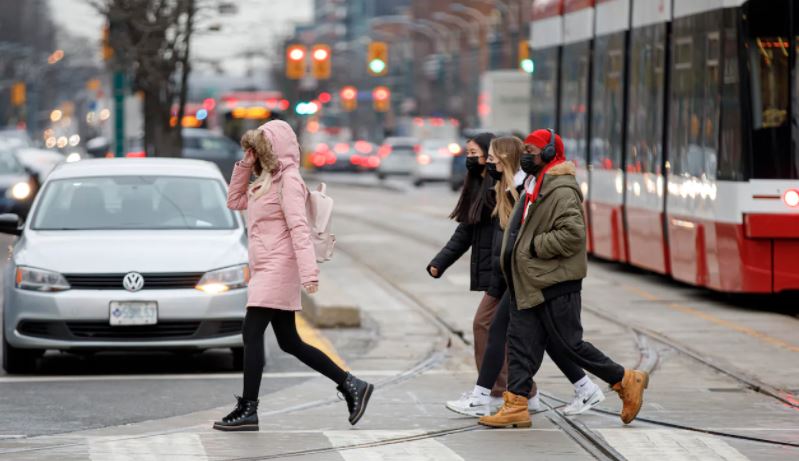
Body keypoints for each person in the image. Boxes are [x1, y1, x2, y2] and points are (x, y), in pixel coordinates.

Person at [479, 129, 648, 429]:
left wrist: (531, 247)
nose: (526, 155)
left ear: (547, 154)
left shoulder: (560, 189)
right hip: (528, 280)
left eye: (532, 150)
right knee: (519, 342)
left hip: (554, 282)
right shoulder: (534, 184)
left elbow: (573, 235)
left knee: (570, 344)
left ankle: (624, 379)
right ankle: (515, 404)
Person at [214, 121, 373, 431]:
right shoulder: (266, 181)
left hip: (279, 267)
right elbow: (234, 201)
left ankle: (249, 408)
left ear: (276, 149)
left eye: (261, 149)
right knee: (290, 341)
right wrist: (245, 164)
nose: (257, 155)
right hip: (264, 267)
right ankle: (352, 384)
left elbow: (299, 229)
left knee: (251, 332)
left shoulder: (289, 181)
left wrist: (308, 273)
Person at [445, 137, 603, 417]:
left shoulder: (526, 189)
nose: (487, 163)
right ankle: (564, 390)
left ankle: (501, 395)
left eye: (491, 158)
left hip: (529, 276)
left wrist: (528, 250)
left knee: (512, 331)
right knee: (541, 337)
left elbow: (566, 235)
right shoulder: (512, 187)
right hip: (517, 274)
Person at [427, 133, 509, 403]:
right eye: (468, 153)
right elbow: (466, 231)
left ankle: (501, 391)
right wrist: (440, 262)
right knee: (497, 330)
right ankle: (513, 391)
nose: (469, 158)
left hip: (504, 272)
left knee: (484, 325)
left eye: (474, 153)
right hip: (497, 272)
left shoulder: (497, 187)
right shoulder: (481, 184)